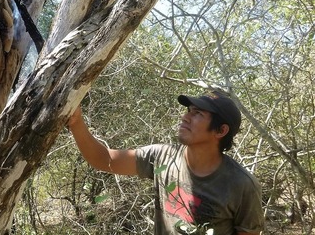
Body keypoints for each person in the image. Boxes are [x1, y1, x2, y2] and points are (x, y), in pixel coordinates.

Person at [67, 90, 264, 235]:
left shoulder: (242, 186)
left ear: (221, 131)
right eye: (189, 110)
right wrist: (76, 122)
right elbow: (105, 160)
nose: (185, 117)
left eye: (198, 114)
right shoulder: (162, 157)